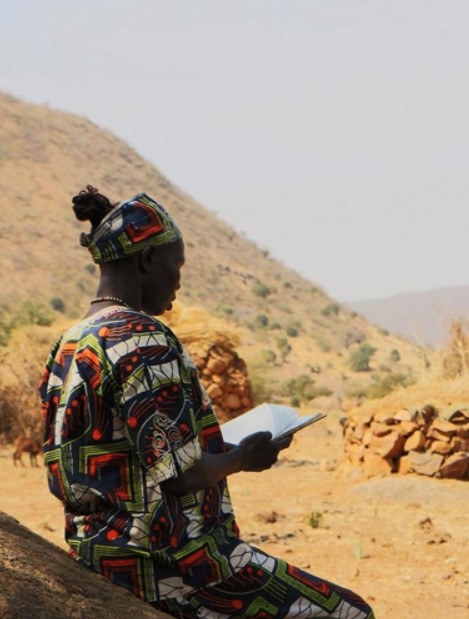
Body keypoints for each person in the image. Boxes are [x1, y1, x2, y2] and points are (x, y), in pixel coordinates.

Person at [40, 186, 374, 619]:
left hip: (95, 549)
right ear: (146, 261)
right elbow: (181, 476)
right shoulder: (141, 340)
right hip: (171, 563)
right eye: (174, 265)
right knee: (349, 612)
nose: (178, 280)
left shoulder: (69, 343)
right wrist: (246, 456)